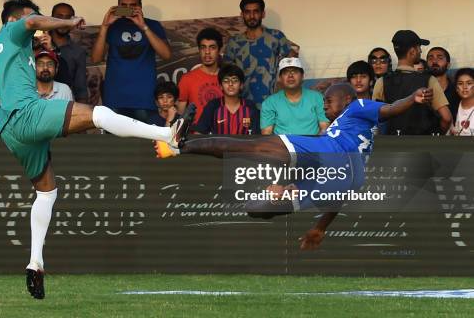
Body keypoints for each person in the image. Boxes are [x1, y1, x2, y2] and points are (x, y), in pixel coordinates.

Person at [0, 0, 191, 300]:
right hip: (25, 114)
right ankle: (166, 133)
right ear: (12, 20)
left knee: (46, 192)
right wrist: (67, 23)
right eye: (35, 16)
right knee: (98, 113)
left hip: (9, 131)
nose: (38, 22)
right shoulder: (13, 30)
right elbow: (30, 22)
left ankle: (35, 263)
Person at [155, 83, 435, 250]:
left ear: (346, 99)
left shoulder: (357, 106)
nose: (325, 104)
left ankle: (183, 143)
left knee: (253, 147)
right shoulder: (345, 128)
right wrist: (321, 227)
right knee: (256, 207)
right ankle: (184, 144)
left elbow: (390, 109)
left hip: (333, 155)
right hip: (345, 174)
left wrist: (413, 99)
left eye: (329, 100)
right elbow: (343, 191)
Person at [91, 0, 171, 122]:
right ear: (118, 7)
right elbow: (96, 58)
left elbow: (167, 55)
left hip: (144, 99)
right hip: (115, 99)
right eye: (124, 6)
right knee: (116, 143)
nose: (128, 9)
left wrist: (144, 26)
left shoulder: (152, 25)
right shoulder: (112, 26)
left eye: (132, 6)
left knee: (146, 142)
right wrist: (104, 26)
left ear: (139, 6)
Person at [372, 30, 452, 135]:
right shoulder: (428, 80)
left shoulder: (381, 81)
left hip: (392, 146)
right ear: (412, 52)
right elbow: (446, 118)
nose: (421, 51)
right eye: (419, 47)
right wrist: (437, 135)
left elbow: (374, 117)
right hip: (423, 146)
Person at [224, 0, 296, 109]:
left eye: (256, 11)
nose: (252, 16)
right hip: (243, 108)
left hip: (273, 107)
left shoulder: (276, 37)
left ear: (263, 14)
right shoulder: (234, 42)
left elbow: (293, 65)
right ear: (242, 15)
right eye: (247, 12)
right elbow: (226, 76)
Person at [260, 57, 328, 135]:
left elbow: (324, 128)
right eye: (285, 73)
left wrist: (313, 145)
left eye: (295, 72)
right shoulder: (270, 103)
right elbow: (266, 134)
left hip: (311, 145)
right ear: (280, 78)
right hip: (282, 146)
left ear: (302, 76)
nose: (290, 76)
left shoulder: (317, 98)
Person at [37, 2, 87, 103]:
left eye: (67, 18)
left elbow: (80, 89)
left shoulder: (78, 52)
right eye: (59, 18)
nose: (63, 22)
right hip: (36, 102)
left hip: (64, 102)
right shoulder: (38, 43)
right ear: (52, 19)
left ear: (72, 21)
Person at [193, 64, 260, 135]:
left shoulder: (250, 107)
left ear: (241, 85)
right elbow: (199, 133)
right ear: (221, 86)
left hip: (245, 146)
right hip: (217, 146)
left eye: (235, 80)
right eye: (226, 81)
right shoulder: (213, 106)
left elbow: (257, 138)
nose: (230, 84)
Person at [176, 27, 223, 123]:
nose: (207, 52)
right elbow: (179, 116)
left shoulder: (227, 79)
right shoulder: (187, 79)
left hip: (223, 134)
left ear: (219, 50)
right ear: (199, 50)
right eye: (203, 47)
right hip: (195, 135)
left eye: (212, 47)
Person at [426, 46, 459, 117]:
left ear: (448, 65)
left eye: (440, 58)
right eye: (430, 58)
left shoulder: (457, 90)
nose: (434, 61)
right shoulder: (421, 89)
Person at [449, 68, 474, 136]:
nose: (464, 87)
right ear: (456, 88)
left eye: (469, 83)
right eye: (460, 83)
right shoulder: (452, 108)